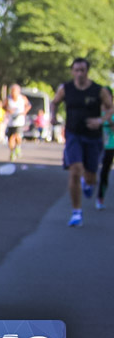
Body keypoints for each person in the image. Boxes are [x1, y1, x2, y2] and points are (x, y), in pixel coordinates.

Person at [50, 58, 113, 227]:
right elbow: (54, 103)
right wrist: (52, 116)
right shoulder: (66, 89)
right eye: (76, 70)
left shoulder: (98, 90)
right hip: (73, 135)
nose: (79, 73)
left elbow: (110, 107)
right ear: (72, 71)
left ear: (87, 71)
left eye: (82, 70)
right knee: (75, 170)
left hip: (93, 137)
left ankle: (88, 182)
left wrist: (101, 120)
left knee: (91, 177)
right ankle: (76, 212)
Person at [4, 84, 32, 160]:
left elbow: (29, 105)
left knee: (16, 136)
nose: (13, 93)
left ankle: (18, 147)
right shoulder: (8, 98)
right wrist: (9, 110)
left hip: (19, 121)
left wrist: (24, 112)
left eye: (15, 91)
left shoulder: (22, 98)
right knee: (10, 138)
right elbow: (4, 107)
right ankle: (12, 151)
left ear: (18, 91)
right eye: (12, 91)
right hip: (10, 121)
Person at [97, 86, 114, 210]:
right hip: (96, 144)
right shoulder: (95, 110)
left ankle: (100, 197)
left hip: (110, 146)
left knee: (104, 173)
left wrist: (108, 120)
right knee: (90, 168)